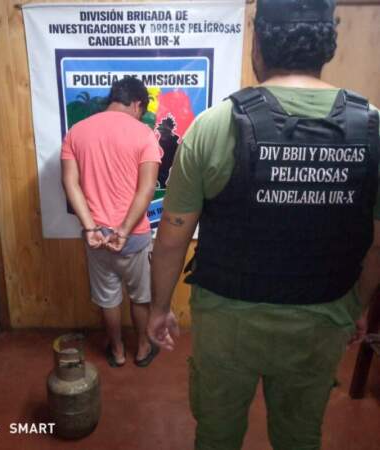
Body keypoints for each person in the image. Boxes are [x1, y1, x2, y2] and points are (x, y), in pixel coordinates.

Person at [148, 0, 380, 448]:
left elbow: (172, 237)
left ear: (258, 43)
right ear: (328, 43)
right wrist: (356, 307)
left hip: (228, 322)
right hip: (323, 317)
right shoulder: (372, 128)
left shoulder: (213, 126)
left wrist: (159, 308)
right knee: (299, 436)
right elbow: (376, 245)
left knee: (216, 435)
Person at [62, 77, 162, 368]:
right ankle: (142, 348)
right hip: (134, 237)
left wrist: (91, 227)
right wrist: (125, 230)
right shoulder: (144, 135)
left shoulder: (76, 132)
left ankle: (117, 351)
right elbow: (147, 189)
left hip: (97, 236)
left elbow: (70, 183)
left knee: (108, 299)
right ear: (137, 104)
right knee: (140, 297)